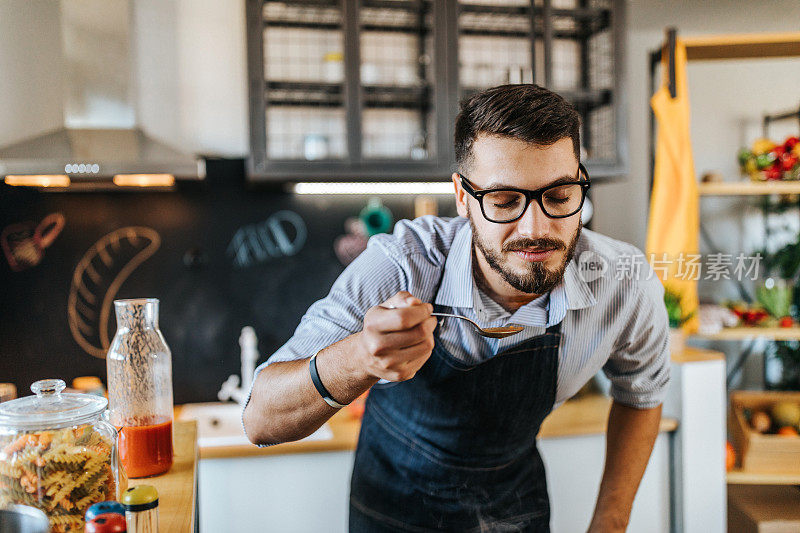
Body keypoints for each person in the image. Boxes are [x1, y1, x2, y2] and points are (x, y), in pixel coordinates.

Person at [243, 84, 669, 532]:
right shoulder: (403, 264)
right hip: (392, 509)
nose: (536, 228)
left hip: (514, 509)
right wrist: (358, 358)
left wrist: (611, 522)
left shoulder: (623, 282)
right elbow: (260, 418)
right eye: (504, 201)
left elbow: (642, 394)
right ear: (463, 196)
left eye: (560, 197)